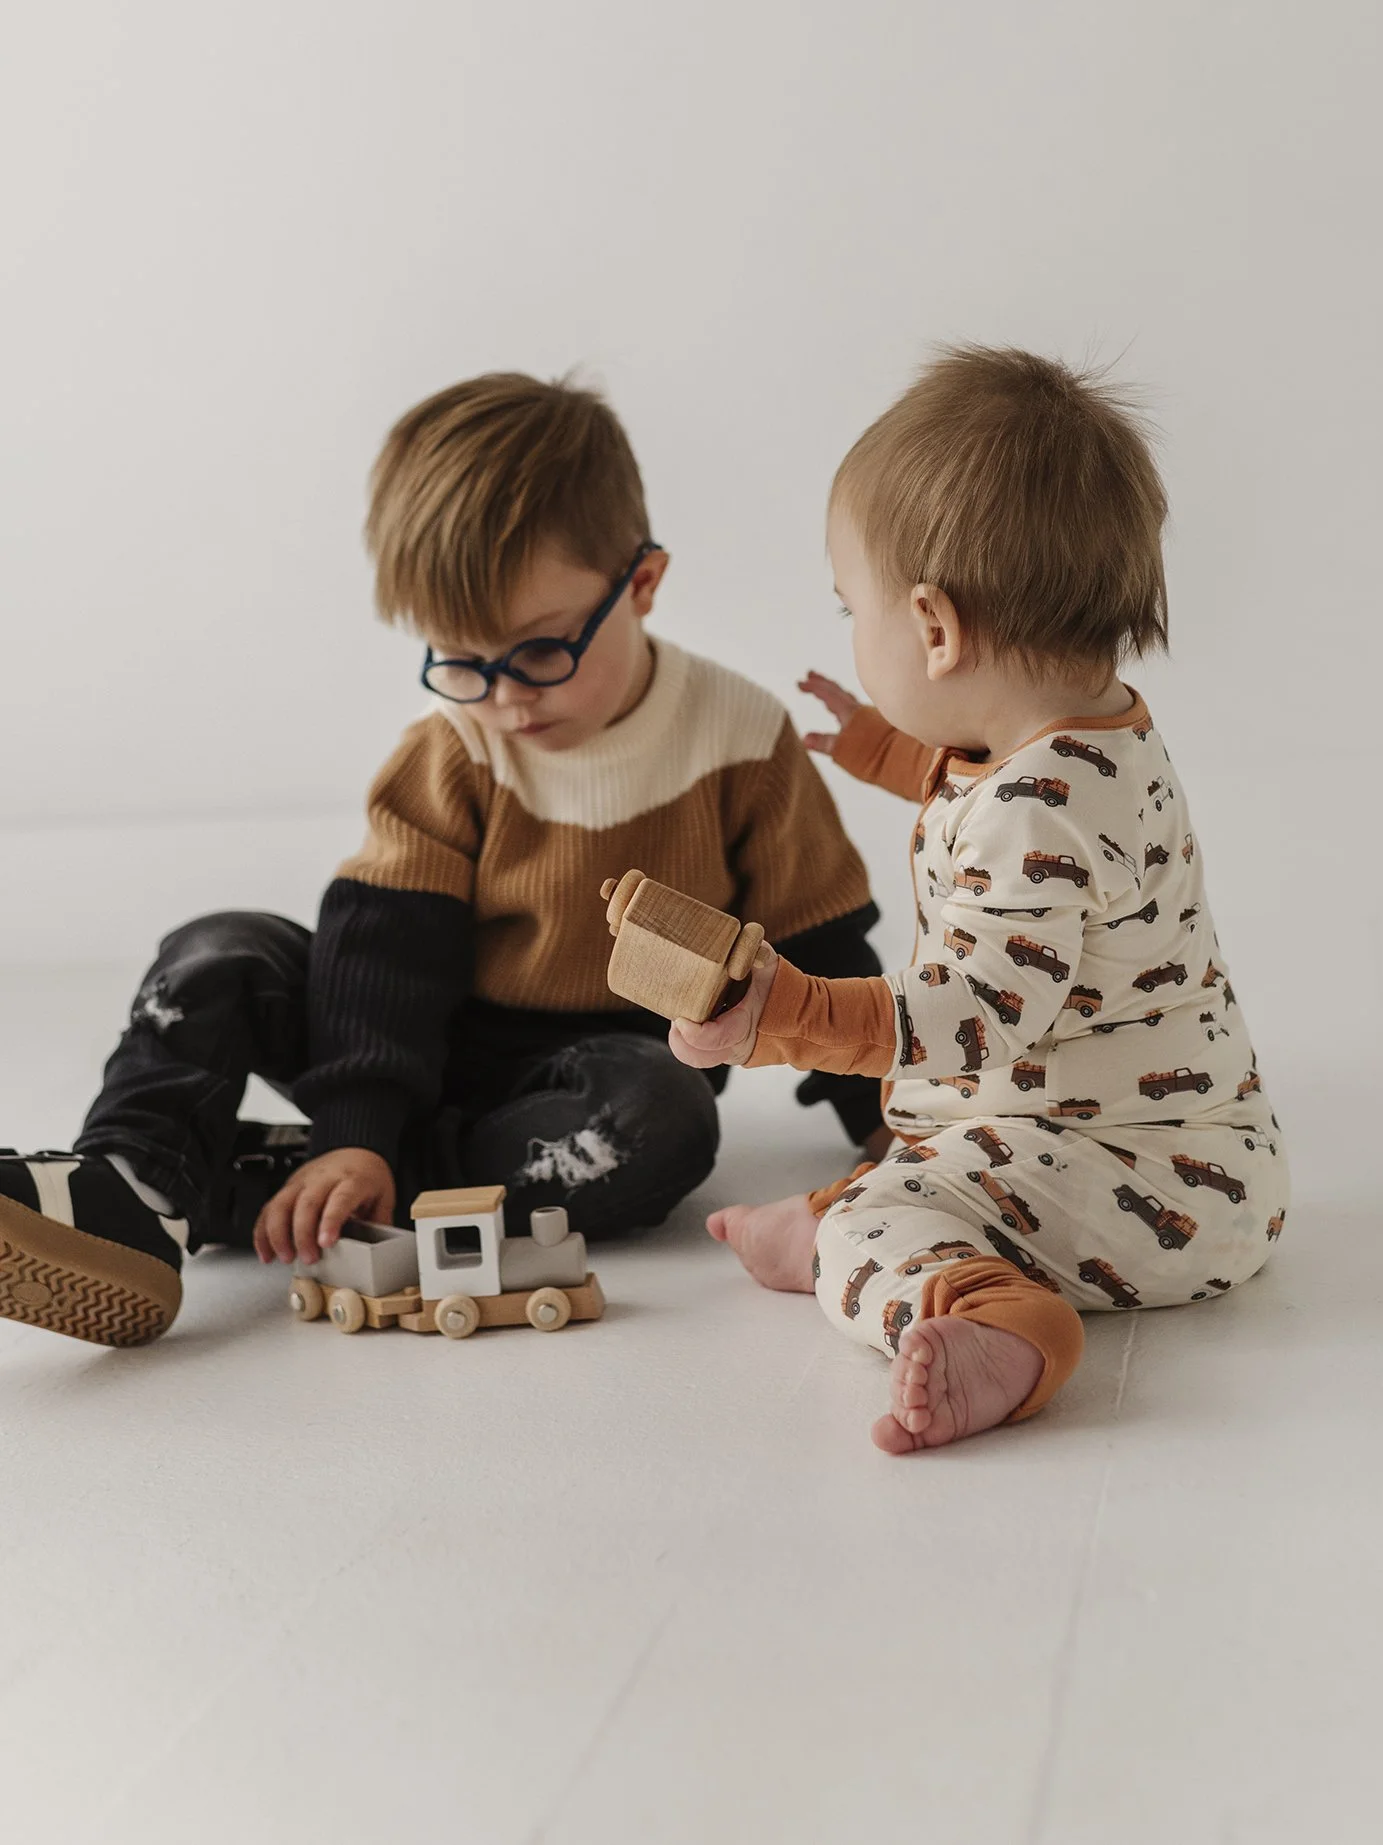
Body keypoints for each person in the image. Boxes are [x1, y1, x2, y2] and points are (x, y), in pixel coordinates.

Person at [0, 373, 886, 1348]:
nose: (505, 698)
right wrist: (356, 1124)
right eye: (462, 660)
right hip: (405, 1034)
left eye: (539, 652)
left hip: (586, 1076)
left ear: (641, 584)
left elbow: (823, 950)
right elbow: (385, 950)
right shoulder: (454, 747)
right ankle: (128, 1180)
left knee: (657, 1108)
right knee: (217, 951)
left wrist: (896, 1118)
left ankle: (249, 1182)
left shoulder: (739, 737)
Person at [669, 344, 1288, 1454]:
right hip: (1187, 1157)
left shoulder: (1032, 816)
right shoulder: (1091, 737)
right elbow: (998, 800)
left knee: (880, 1213)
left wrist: (785, 1014)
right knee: (920, 1164)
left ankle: (996, 1316)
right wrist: (889, 749)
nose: (849, 632)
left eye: (850, 607)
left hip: (1141, 1185)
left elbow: (973, 1015)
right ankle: (839, 1221)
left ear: (934, 628)